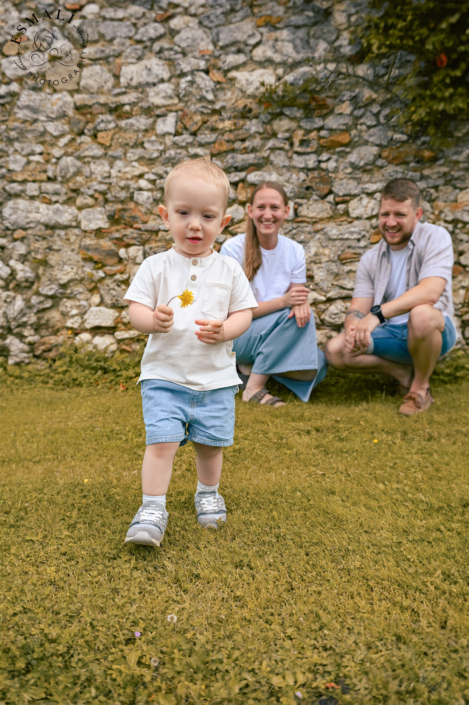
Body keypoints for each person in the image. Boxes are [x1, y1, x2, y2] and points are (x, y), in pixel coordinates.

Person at [123, 159, 258, 547]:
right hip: (164, 376)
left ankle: (207, 493)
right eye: (184, 213)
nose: (195, 224)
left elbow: (244, 313)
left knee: (211, 446)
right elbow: (134, 309)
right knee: (161, 443)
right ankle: (152, 508)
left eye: (207, 215)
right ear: (166, 215)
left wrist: (225, 331)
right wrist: (151, 320)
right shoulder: (156, 266)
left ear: (224, 222)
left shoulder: (229, 270)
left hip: (215, 380)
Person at [325, 178, 457, 415]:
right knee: (335, 350)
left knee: (421, 314)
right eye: (385, 214)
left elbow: (430, 291)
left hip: (433, 330)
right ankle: (402, 374)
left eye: (400, 215)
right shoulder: (370, 258)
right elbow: (357, 307)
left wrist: (377, 315)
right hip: (391, 336)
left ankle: (420, 389)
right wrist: (353, 326)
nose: (391, 222)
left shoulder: (436, 237)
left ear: (417, 214)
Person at [220, 181, 328, 407]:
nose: (267, 214)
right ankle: (254, 388)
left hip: (273, 332)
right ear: (250, 211)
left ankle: (249, 371)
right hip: (236, 335)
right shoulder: (232, 249)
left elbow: (298, 300)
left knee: (317, 363)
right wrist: (285, 302)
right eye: (261, 207)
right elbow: (231, 311)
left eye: (275, 208)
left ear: (286, 212)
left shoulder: (295, 250)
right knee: (288, 316)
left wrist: (299, 304)